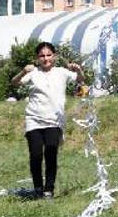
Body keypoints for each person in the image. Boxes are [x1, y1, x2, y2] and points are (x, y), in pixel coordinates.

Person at [11, 42, 84, 200]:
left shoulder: (61, 72)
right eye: (42, 56)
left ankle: (48, 189)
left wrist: (78, 70)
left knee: (51, 151)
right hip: (34, 119)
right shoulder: (33, 73)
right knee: (36, 155)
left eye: (48, 55)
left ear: (54, 56)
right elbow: (15, 83)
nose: (45, 58)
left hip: (54, 120)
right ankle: (38, 187)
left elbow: (80, 79)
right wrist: (23, 71)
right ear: (37, 58)